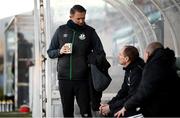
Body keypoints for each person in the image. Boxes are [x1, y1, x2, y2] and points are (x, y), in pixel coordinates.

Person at [47, 5, 110, 117]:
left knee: (86, 113)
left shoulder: (90, 32)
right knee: (67, 113)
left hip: (83, 80)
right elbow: (50, 52)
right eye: (78, 18)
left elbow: (100, 52)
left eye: (83, 18)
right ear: (71, 17)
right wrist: (59, 51)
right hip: (64, 79)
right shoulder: (61, 31)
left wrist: (91, 58)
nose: (81, 21)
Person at [115, 42, 180, 117]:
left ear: (147, 54)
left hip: (159, 111)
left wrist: (125, 107)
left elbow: (143, 92)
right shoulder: (167, 63)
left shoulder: (153, 66)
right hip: (170, 108)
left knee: (120, 115)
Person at [99, 46, 145, 117]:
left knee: (114, 113)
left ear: (126, 59)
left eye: (120, 54)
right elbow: (123, 91)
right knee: (109, 112)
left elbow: (132, 96)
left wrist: (110, 107)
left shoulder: (137, 72)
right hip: (131, 102)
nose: (118, 56)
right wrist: (110, 104)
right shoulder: (129, 68)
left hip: (140, 106)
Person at [12, 32, 33, 108]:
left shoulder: (23, 45)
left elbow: (28, 58)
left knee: (23, 86)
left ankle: (23, 102)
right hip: (21, 69)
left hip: (22, 69)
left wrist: (14, 69)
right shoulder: (23, 45)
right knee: (21, 86)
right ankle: (21, 102)